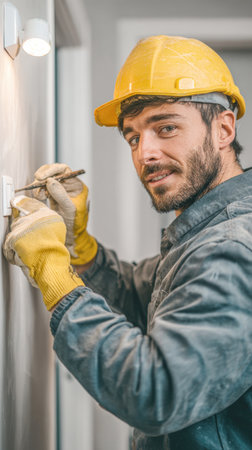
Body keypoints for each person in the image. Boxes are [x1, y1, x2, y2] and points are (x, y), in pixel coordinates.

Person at [4, 36, 252, 449]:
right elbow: (143, 302)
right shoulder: (209, 234)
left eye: (166, 127)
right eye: (133, 137)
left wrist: (54, 272)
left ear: (224, 129)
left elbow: (154, 392)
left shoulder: (230, 247)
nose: (145, 153)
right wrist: (79, 248)